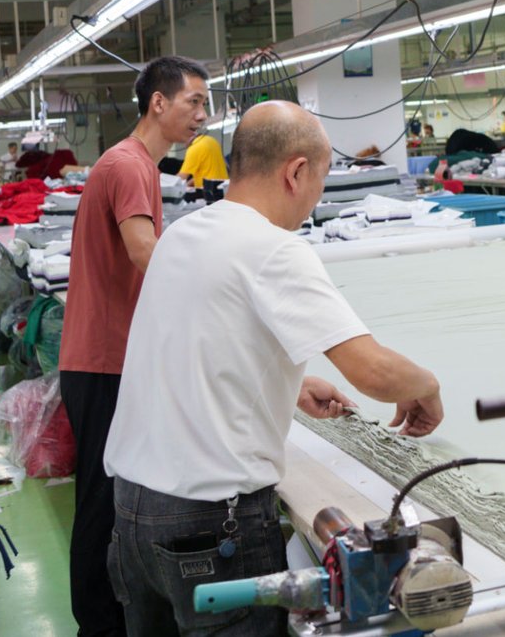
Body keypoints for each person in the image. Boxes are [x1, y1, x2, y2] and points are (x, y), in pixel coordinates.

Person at [103, 101, 444, 636]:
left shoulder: (184, 235)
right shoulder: (274, 250)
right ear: (296, 171)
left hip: (132, 513)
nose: (316, 199)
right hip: (210, 525)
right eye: (322, 180)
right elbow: (373, 372)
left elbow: (192, 343)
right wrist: (427, 384)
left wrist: (287, 384)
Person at [59, 56, 210, 637]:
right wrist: (215, 283)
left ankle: (110, 617)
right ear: (158, 104)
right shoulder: (128, 165)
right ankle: (96, 626)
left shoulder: (139, 165)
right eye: (194, 101)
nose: (202, 114)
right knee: (102, 501)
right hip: (102, 362)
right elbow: (145, 252)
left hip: (112, 358)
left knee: (113, 495)